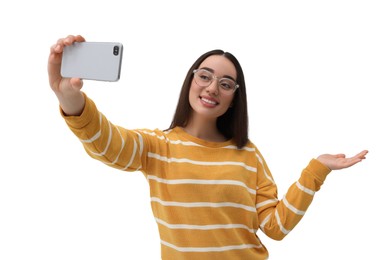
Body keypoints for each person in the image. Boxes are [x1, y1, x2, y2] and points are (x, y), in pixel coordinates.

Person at [48, 35, 368, 260]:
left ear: (233, 99)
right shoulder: (158, 146)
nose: (212, 87)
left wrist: (317, 170)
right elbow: (108, 144)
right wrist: (69, 98)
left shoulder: (249, 155)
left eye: (225, 83)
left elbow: (275, 227)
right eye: (205, 76)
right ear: (191, 81)